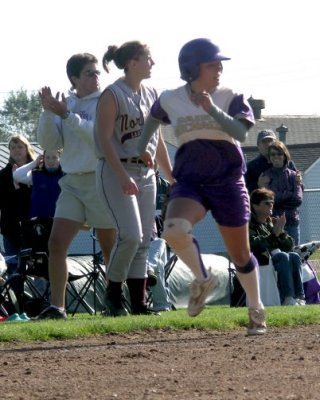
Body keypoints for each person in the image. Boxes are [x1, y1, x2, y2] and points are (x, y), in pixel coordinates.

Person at [138, 38, 266, 335]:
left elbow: (240, 133)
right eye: (212, 64)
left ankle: (256, 309)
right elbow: (153, 118)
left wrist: (211, 108)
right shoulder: (171, 98)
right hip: (191, 179)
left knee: (240, 256)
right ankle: (202, 278)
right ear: (192, 68)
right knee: (173, 230)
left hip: (228, 180)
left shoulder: (230, 95)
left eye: (219, 63)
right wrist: (143, 147)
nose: (219, 68)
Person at [33, 52, 116, 320]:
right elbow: (49, 143)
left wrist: (66, 114)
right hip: (71, 183)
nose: (96, 77)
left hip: (100, 179)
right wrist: (48, 113)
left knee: (109, 248)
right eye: (89, 73)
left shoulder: (106, 100)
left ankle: (115, 301)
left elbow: (98, 138)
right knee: (56, 243)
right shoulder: (63, 103)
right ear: (74, 78)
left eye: (96, 73)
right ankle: (58, 307)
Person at [94, 41, 173, 316]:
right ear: (131, 62)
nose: (153, 63)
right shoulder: (112, 94)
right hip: (117, 170)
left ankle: (139, 303)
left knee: (143, 242)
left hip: (146, 173)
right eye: (148, 58)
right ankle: (113, 297)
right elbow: (104, 140)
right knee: (130, 235)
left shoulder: (152, 93)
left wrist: (171, 175)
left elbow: (158, 139)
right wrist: (121, 175)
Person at [249, 188, 305, 305]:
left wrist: (282, 234)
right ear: (255, 206)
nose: (271, 206)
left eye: (272, 203)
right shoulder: (249, 223)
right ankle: (288, 298)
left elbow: (290, 245)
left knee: (294, 256)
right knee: (283, 256)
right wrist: (274, 234)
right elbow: (254, 245)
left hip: (274, 258)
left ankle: (300, 297)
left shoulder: (272, 222)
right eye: (267, 203)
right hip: (259, 259)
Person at [0, 135, 36, 307]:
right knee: (14, 268)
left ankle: (47, 303)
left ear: (26, 148)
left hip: (35, 228)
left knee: (39, 266)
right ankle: (18, 305)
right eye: (13, 148)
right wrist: (14, 187)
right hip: (10, 229)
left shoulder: (37, 171)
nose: (16, 151)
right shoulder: (4, 175)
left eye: (19, 147)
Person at [261, 141, 303, 245]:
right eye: (273, 154)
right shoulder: (266, 176)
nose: (276, 157)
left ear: (284, 155)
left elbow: (298, 200)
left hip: (292, 222)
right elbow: (272, 200)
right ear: (269, 157)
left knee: (294, 254)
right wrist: (289, 193)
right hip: (274, 223)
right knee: (278, 255)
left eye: (279, 153)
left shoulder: (294, 175)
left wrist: (281, 197)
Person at [13, 149, 63, 218]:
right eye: (47, 157)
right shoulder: (36, 175)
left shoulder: (66, 177)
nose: (50, 161)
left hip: (59, 220)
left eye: (54, 157)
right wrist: (34, 163)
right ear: (43, 159)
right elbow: (16, 175)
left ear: (60, 159)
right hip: (38, 222)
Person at [245, 129, 298, 193]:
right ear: (258, 145)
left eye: (270, 141)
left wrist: (298, 182)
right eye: (264, 141)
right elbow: (244, 191)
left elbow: (299, 188)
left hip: (287, 202)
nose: (268, 144)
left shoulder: (288, 163)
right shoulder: (251, 166)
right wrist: (258, 185)